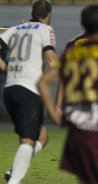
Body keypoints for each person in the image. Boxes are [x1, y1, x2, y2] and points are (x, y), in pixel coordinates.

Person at [37, 5, 98, 184]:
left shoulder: (71, 50)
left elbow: (43, 82)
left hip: (77, 132)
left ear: (82, 23)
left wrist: (55, 112)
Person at [0, 0, 56, 183]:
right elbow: (49, 57)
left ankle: (13, 171)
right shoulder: (45, 29)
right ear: (48, 15)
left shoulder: (17, 28)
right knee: (27, 140)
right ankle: (14, 180)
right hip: (28, 90)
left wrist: (6, 67)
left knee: (42, 136)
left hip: (10, 90)